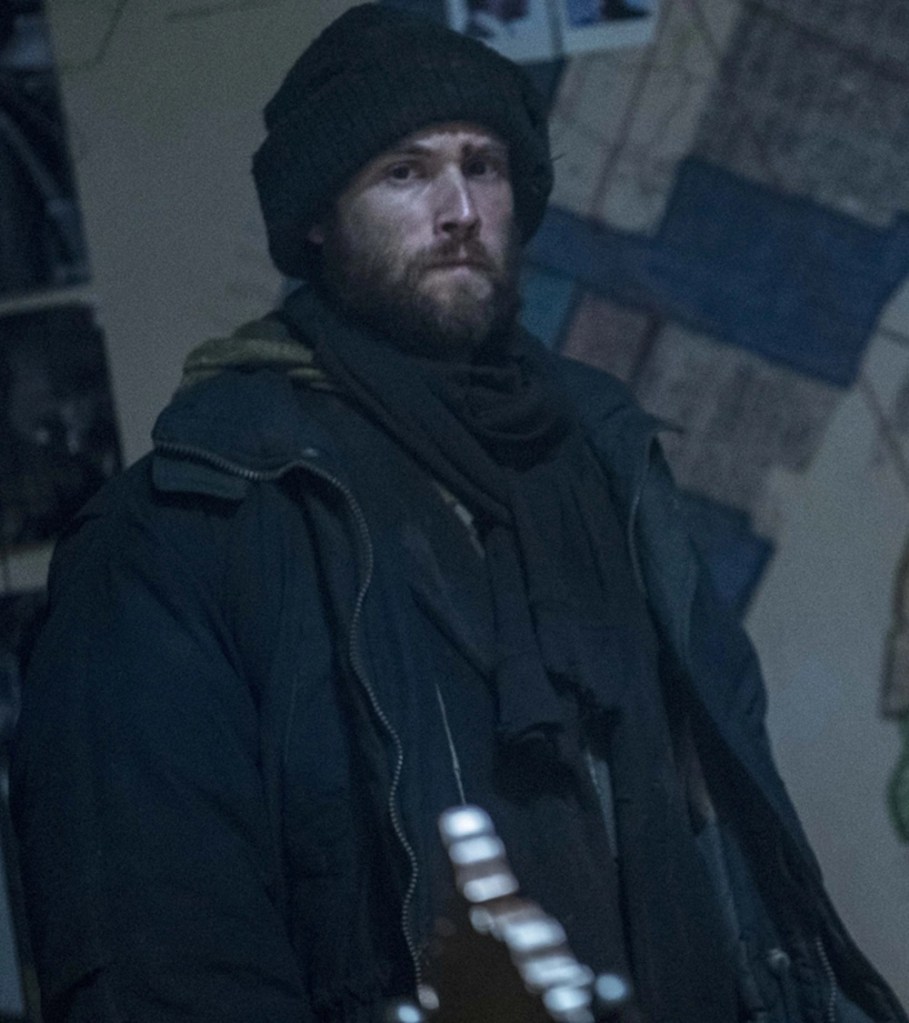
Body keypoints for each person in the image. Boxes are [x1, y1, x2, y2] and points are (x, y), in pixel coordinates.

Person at [9, 6, 907, 1023]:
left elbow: (741, 867)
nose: (460, 209)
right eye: (405, 172)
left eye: (483, 166)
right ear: (317, 219)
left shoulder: (606, 468)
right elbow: (157, 958)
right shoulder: (183, 533)